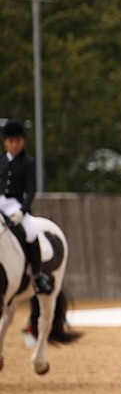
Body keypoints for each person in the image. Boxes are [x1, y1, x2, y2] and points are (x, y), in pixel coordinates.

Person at [0, 121, 53, 294]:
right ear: (5, 142)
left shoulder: (27, 163)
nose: (14, 145)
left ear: (23, 142)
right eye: (11, 141)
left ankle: (38, 276)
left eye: (18, 141)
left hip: (14, 204)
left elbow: (31, 190)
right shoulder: (0, 160)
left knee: (30, 233)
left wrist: (22, 211)